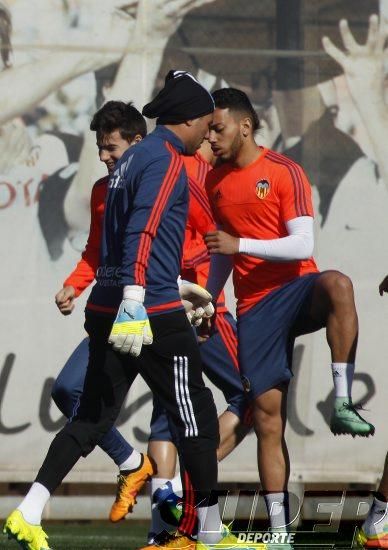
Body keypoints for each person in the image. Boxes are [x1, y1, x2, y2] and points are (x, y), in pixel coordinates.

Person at [2, 71, 242, 550]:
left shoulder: (129, 165)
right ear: (191, 120)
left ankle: (27, 512)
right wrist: (141, 300)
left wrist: (181, 287)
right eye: (207, 126)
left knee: (90, 416)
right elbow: (143, 233)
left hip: (118, 304)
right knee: (195, 415)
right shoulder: (167, 161)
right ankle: (211, 534)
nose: (210, 136)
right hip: (148, 310)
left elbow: (122, 245)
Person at [203, 88, 375, 537]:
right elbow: (222, 253)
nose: (212, 138)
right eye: (207, 130)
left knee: (338, 283)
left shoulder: (284, 171)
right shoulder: (214, 180)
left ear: (245, 126)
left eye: (218, 128)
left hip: (296, 289)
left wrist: (240, 245)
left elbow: (303, 245)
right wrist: (207, 297)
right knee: (267, 418)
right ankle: (280, 532)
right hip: (256, 307)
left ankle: (342, 400)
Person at [51, 99, 217, 526]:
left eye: (111, 148)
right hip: (121, 313)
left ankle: (175, 529)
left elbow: (207, 232)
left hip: (166, 313)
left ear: (138, 143)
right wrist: (74, 284)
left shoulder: (172, 170)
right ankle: (130, 463)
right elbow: (97, 252)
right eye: (99, 149)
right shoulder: (103, 191)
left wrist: (195, 291)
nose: (104, 157)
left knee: (181, 420)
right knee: (69, 392)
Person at [145, 142, 253, 544]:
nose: (216, 137)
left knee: (171, 409)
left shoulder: (159, 166)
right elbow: (202, 239)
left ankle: (162, 523)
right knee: (254, 392)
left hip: (168, 304)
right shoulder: (191, 173)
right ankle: (184, 505)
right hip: (202, 306)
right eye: (211, 128)